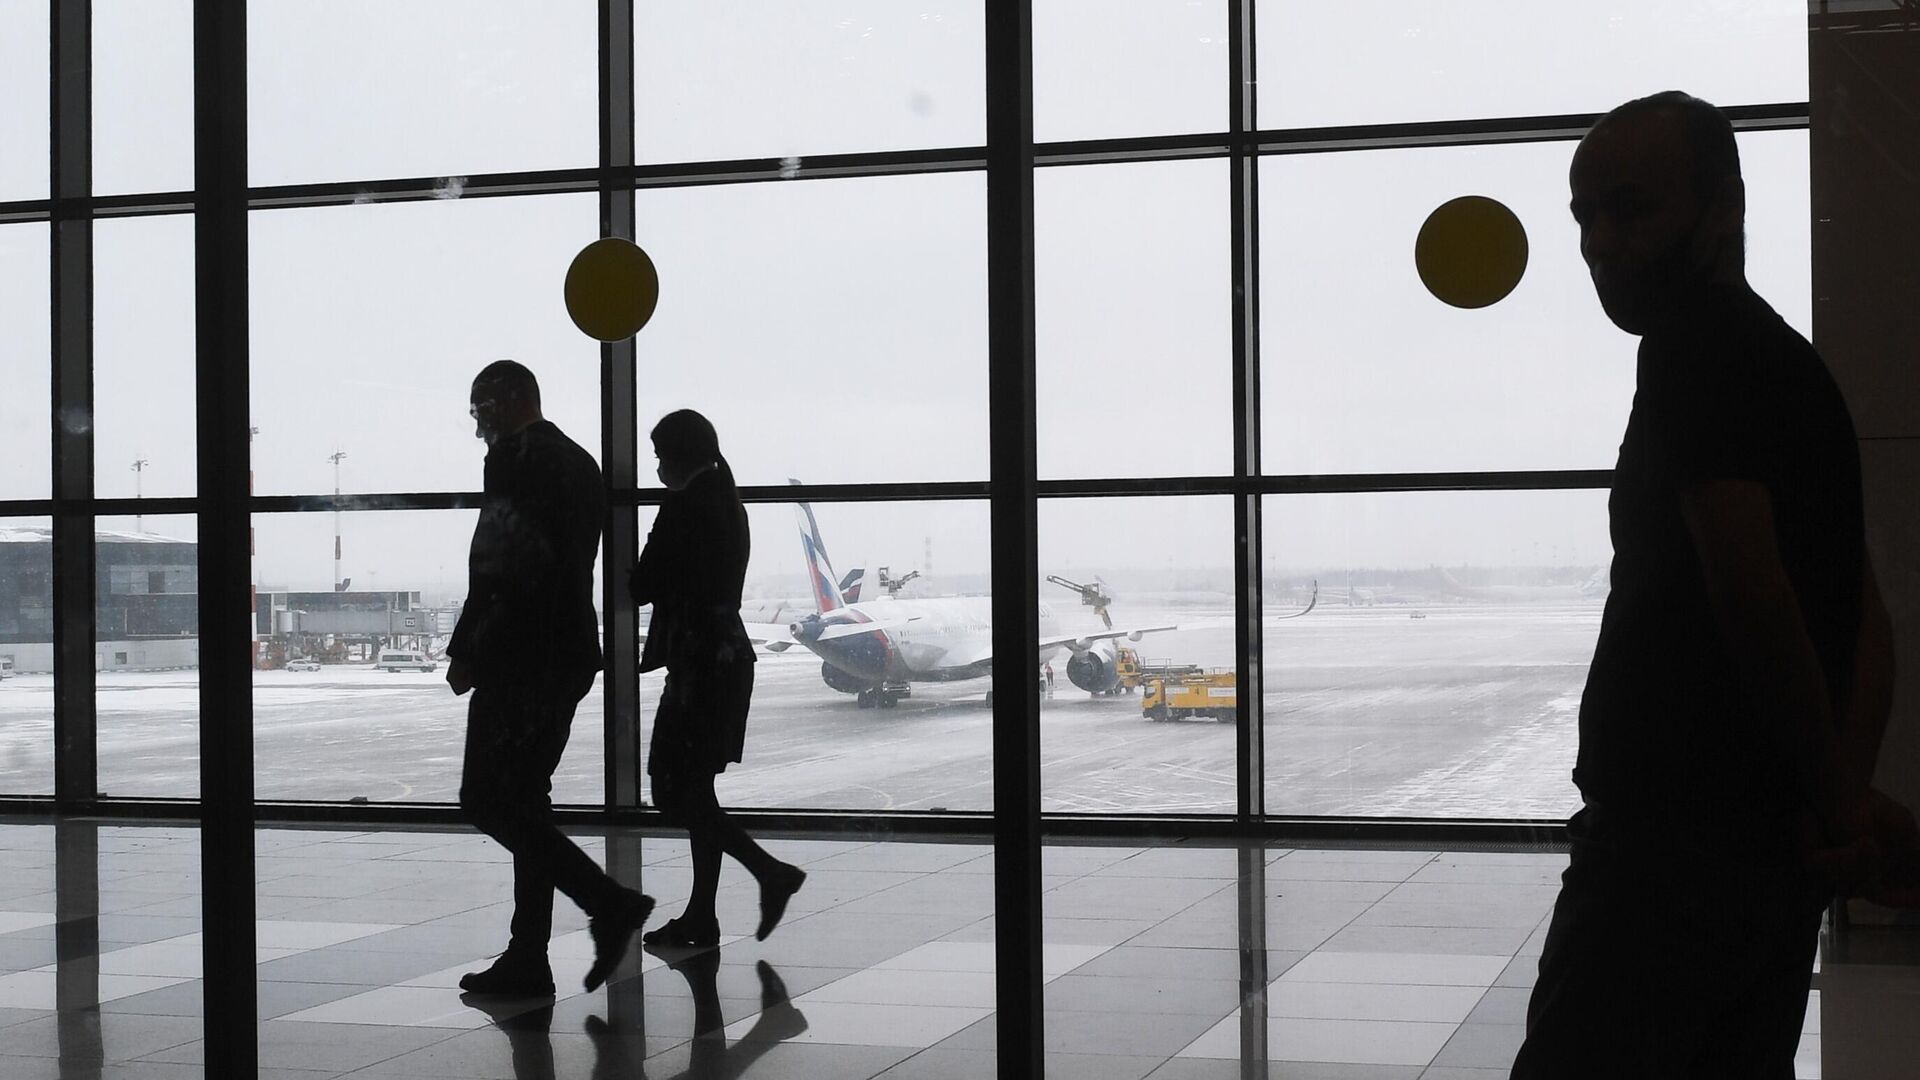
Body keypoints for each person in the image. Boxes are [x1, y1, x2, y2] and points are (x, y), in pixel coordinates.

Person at [1511, 92, 1919, 1078]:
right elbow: (1861, 613)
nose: (1601, 244)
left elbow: (1753, 593)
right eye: (1584, 217)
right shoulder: (1791, 366)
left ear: (1724, 209)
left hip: (1667, 855)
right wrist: (1838, 804)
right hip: (1768, 855)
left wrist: (1839, 804)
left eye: (1632, 209)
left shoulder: (1691, 350)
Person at [448, 360, 653, 996]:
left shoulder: (516, 457)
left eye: (482, 412)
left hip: (521, 653)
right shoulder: (580, 461)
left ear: (512, 402)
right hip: (567, 653)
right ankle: (528, 954)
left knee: (487, 799)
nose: (479, 428)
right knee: (525, 802)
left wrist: (469, 646)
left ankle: (606, 904)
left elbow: (497, 561)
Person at [633, 409, 806, 947]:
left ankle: (768, 872)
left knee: (672, 790)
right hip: (724, 660)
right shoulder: (728, 504)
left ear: (678, 456)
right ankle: (703, 913)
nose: (657, 467)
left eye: (660, 456)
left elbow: (641, 583)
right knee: (695, 791)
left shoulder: (686, 506)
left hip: (699, 666)